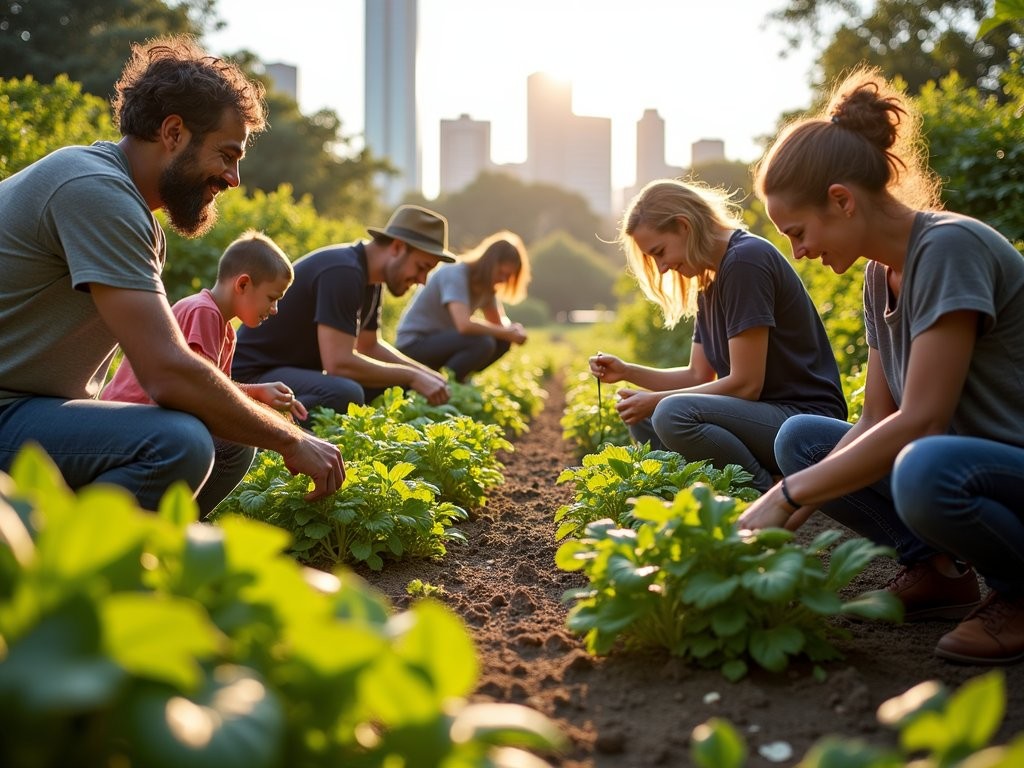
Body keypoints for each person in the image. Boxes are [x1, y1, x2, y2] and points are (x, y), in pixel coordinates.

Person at [737, 67, 1024, 665]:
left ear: (841, 200)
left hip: (997, 461)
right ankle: (938, 573)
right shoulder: (876, 274)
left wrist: (786, 498)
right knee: (803, 440)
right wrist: (790, 505)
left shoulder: (950, 248)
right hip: (967, 462)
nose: (800, 252)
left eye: (799, 232)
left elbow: (922, 421)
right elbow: (875, 420)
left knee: (923, 467)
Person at [0, 35, 344, 515]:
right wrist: (290, 439)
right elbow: (165, 372)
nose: (233, 179)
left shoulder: (126, 207)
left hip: (31, 414)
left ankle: (144, 554)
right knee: (177, 442)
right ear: (173, 133)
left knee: (228, 440)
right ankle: (62, 569)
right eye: (227, 155)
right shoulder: (94, 190)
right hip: (8, 414)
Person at [588, 178, 847, 492]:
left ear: (684, 226)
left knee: (669, 412)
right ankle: (698, 498)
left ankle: (761, 496)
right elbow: (697, 375)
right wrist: (628, 372)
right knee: (642, 415)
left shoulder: (744, 262)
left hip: (803, 422)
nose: (663, 267)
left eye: (659, 252)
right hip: (763, 418)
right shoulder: (709, 281)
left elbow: (746, 384)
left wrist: (656, 401)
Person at [100, 230, 308, 516]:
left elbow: (212, 393)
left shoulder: (225, 330)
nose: (274, 310)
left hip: (151, 417)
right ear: (243, 284)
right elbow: (204, 400)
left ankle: (179, 517)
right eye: (272, 298)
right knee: (236, 444)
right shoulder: (203, 313)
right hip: (130, 416)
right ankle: (181, 521)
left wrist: (258, 394)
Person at [232, 204, 456, 420]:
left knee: (388, 382)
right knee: (346, 393)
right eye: (421, 267)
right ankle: (262, 428)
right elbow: (338, 363)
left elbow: (369, 346)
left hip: (288, 374)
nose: (423, 280)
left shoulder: (370, 280)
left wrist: (424, 374)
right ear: (397, 247)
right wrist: (413, 376)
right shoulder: (344, 272)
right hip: (254, 376)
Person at [394, 230, 531, 382]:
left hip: (442, 343)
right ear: (490, 264)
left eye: (508, 276)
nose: (503, 280)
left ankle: (454, 379)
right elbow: (464, 325)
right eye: (501, 273)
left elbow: (498, 324)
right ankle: (445, 383)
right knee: (482, 342)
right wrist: (507, 332)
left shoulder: (488, 288)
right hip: (414, 344)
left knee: (502, 341)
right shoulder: (455, 273)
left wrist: (512, 329)